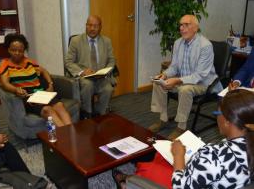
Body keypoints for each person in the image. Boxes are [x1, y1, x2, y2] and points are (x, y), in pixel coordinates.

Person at [113, 89, 253, 189]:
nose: (217, 117)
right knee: (161, 157)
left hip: (187, 182)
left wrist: (179, 157)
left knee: (150, 170)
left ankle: (127, 181)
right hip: (215, 178)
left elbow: (180, 186)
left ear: (228, 121)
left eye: (217, 112)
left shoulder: (213, 155)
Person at [149, 14, 222, 138]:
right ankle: (163, 119)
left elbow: (200, 75)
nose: (182, 28)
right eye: (181, 25)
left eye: (186, 25)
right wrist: (164, 75)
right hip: (183, 80)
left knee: (185, 89)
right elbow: (174, 67)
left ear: (195, 28)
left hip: (203, 83)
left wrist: (177, 80)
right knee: (158, 82)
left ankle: (181, 127)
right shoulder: (178, 43)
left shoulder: (205, 46)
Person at [0, 33, 72, 127]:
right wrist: (16, 90)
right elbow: (4, 83)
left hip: (41, 94)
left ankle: (71, 134)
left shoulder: (29, 62)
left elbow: (44, 71)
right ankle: (66, 137)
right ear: (8, 49)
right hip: (28, 97)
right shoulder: (5, 64)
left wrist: (50, 84)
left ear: (24, 50)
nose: (17, 53)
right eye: (13, 50)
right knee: (47, 110)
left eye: (20, 51)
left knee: (60, 106)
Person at [64, 15, 116, 118]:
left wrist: (106, 71)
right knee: (88, 85)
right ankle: (87, 114)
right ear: (86, 26)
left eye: (95, 26)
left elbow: (112, 60)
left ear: (100, 27)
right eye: (90, 25)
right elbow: (68, 61)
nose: (92, 28)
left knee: (108, 89)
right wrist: (82, 72)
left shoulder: (106, 41)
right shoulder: (76, 41)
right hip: (84, 77)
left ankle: (101, 114)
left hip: (101, 77)